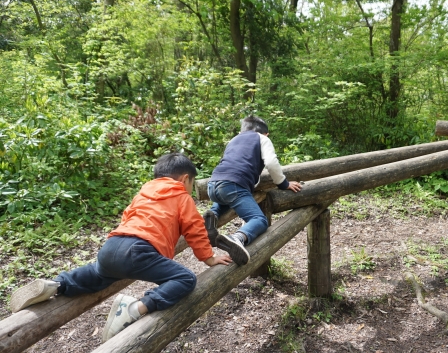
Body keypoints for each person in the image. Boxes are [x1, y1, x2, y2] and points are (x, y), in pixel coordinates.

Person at [9, 153, 233, 342]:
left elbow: (127, 216)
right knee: (185, 278)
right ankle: (135, 309)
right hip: (140, 250)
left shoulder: (144, 192)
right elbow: (195, 229)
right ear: (185, 179)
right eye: (192, 183)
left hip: (112, 246)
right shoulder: (182, 197)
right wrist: (208, 258)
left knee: (97, 275)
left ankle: (56, 284)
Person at [205, 115, 302, 266]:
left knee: (226, 199)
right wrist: (283, 184)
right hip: (235, 184)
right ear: (266, 133)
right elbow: (271, 162)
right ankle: (237, 238)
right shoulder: (262, 139)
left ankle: (213, 215)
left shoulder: (233, 141)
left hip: (213, 184)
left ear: (241, 131)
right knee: (259, 220)